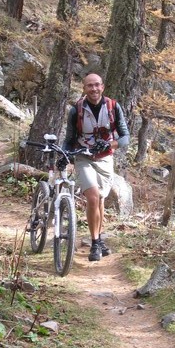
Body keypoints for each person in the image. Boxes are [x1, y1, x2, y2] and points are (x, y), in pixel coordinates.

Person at [63, 73, 130, 261]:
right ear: (84, 88)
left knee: (100, 198)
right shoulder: (76, 110)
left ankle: (99, 239)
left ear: (103, 86)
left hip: (106, 159)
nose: (94, 89)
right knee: (92, 197)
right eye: (90, 86)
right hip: (84, 157)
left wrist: (111, 145)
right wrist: (64, 154)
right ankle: (94, 244)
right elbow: (69, 139)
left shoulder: (113, 107)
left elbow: (125, 137)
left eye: (97, 85)